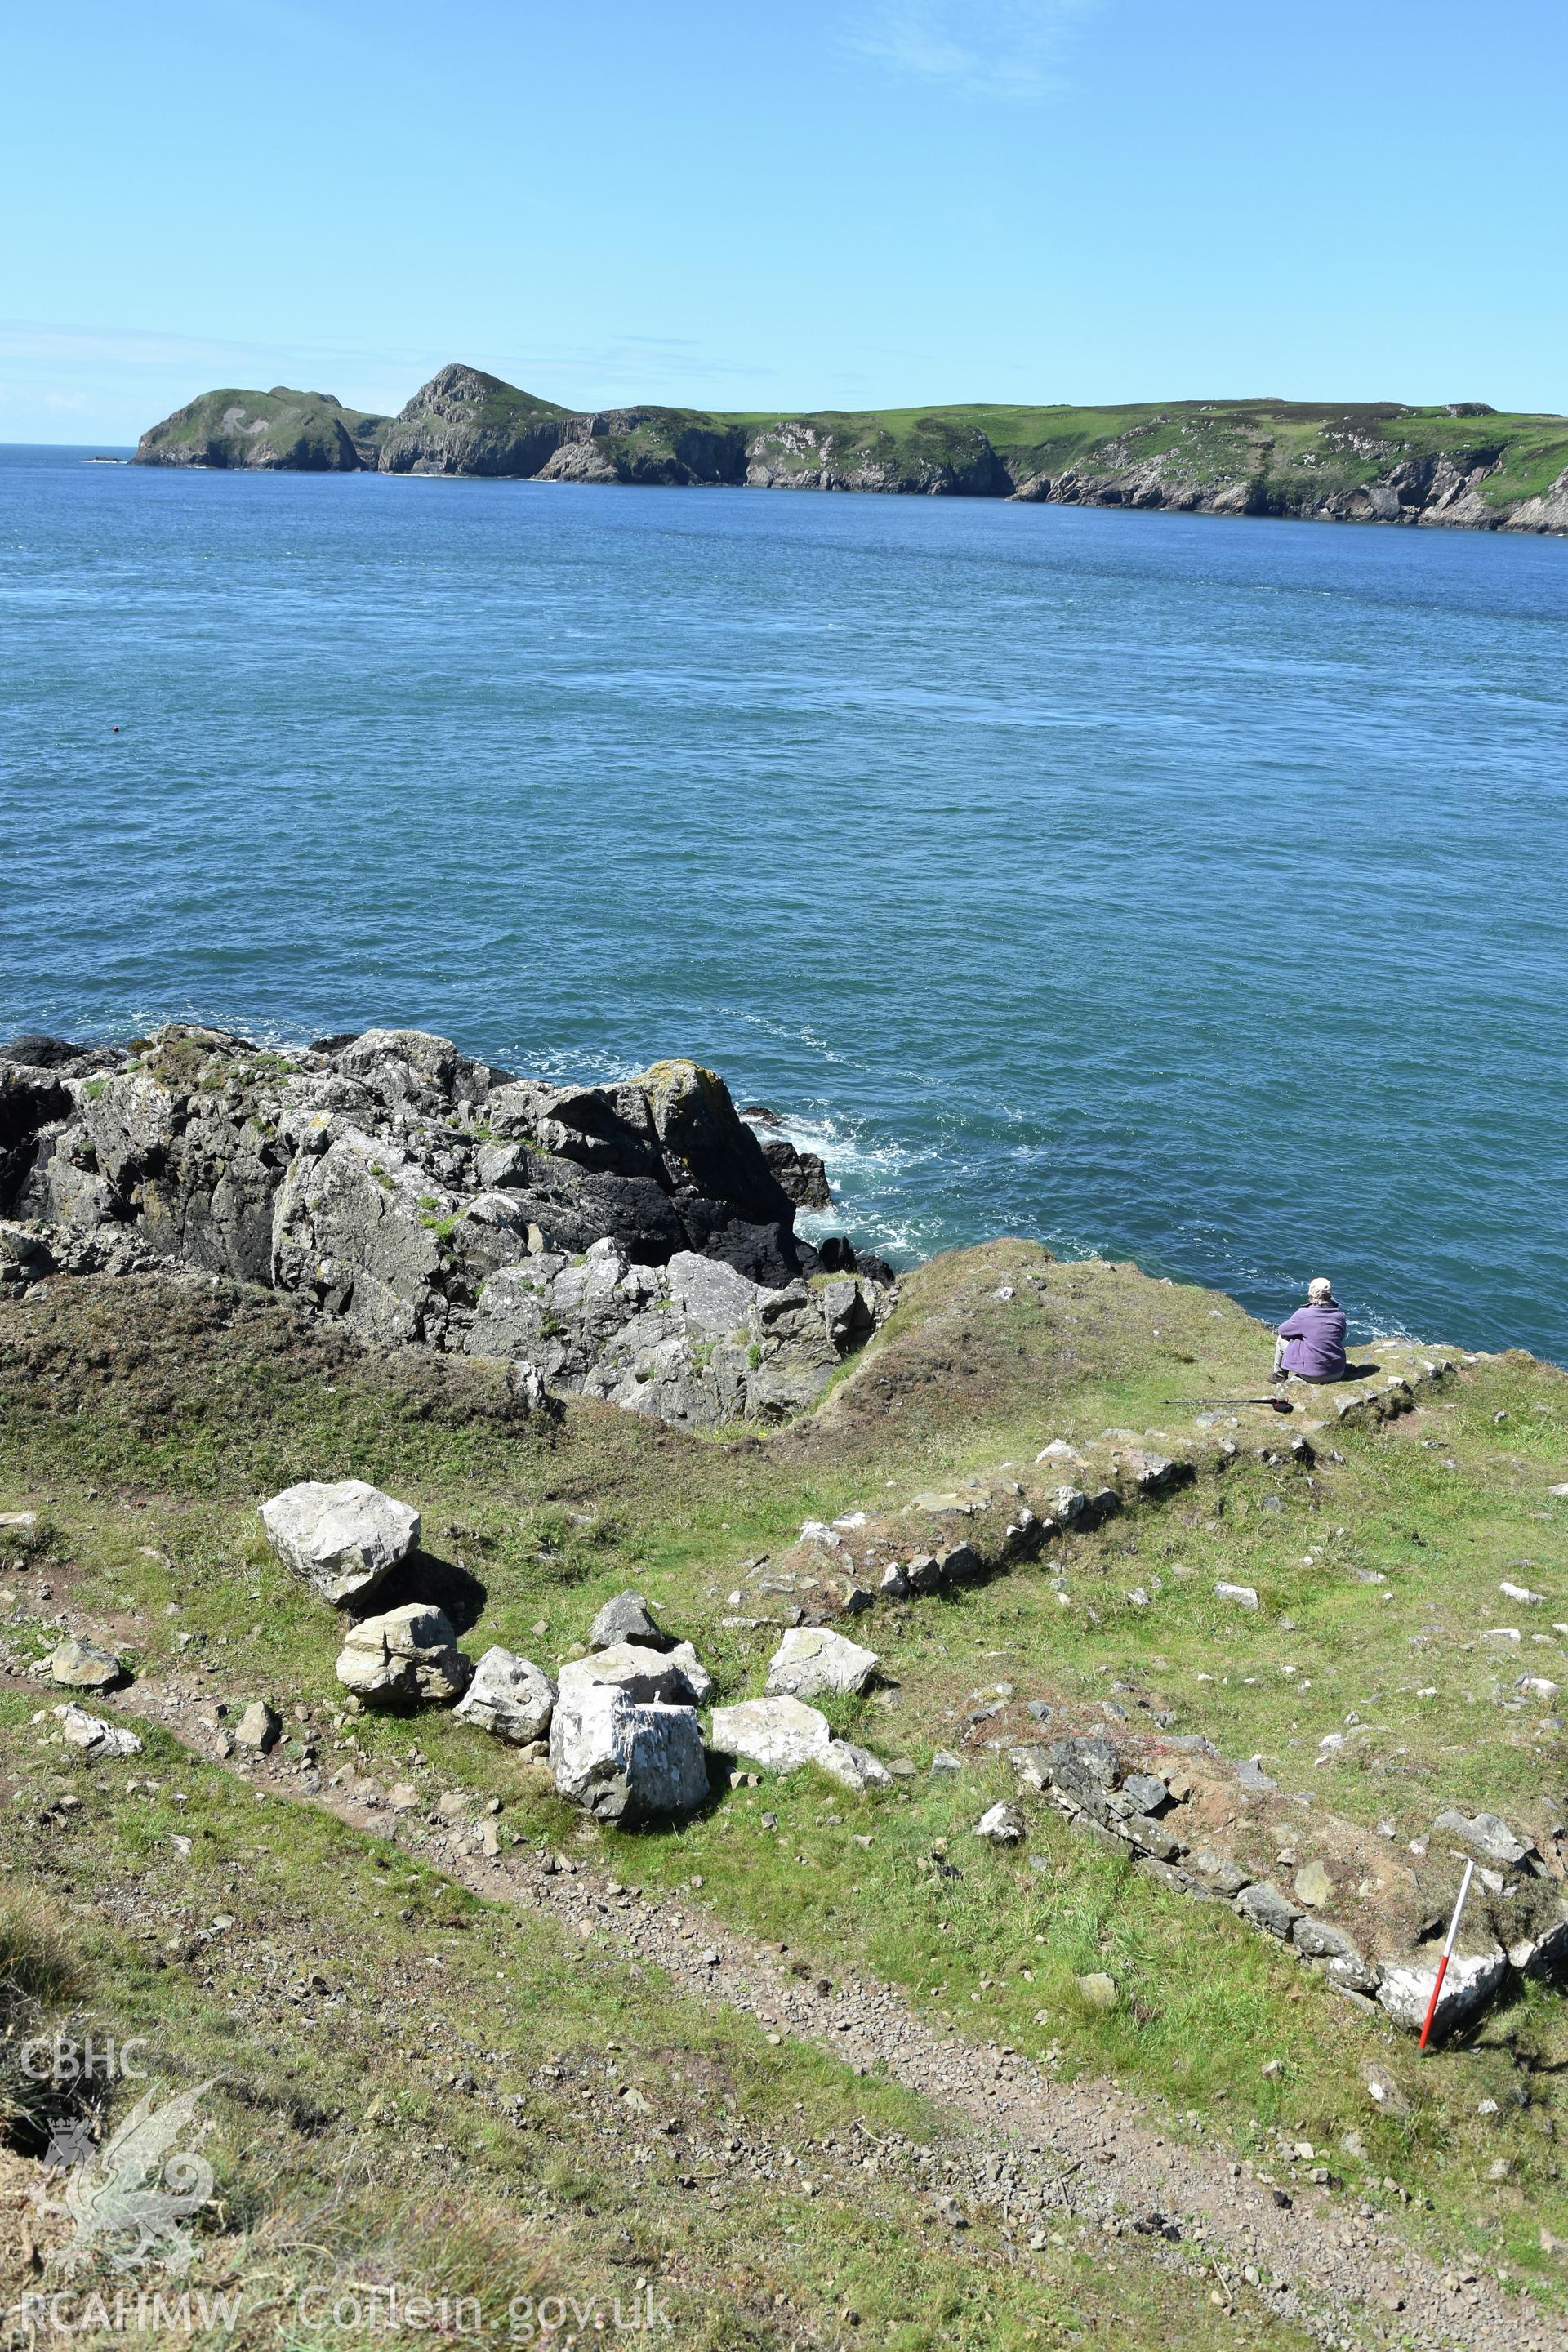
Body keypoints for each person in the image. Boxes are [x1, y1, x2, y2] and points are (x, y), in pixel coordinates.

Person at [1272, 1276, 1348, 1383]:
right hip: (1338, 1371)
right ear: (1330, 1294)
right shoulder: (1339, 1315)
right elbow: (1341, 1337)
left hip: (1314, 1376)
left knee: (1281, 1340)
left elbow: (1282, 1331)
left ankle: (1279, 1376)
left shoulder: (1303, 1314)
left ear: (1310, 1293)